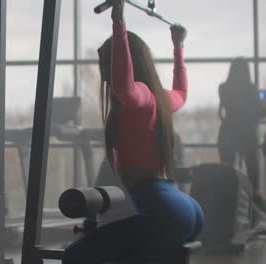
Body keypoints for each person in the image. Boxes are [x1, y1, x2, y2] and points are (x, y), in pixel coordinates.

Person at [62, 1, 204, 263]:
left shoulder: (139, 98)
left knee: (74, 255)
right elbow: (182, 93)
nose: (103, 72)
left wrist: (118, 21)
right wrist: (178, 46)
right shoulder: (159, 100)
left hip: (165, 211)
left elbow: (123, 83)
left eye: (104, 64)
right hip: (186, 209)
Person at [217, 57, 266, 207]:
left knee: (227, 169)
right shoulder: (251, 90)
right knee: (252, 169)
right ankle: (253, 204)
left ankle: (227, 202)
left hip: (228, 131)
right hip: (247, 132)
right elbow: (260, 112)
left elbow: (226, 108)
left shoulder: (223, 88)